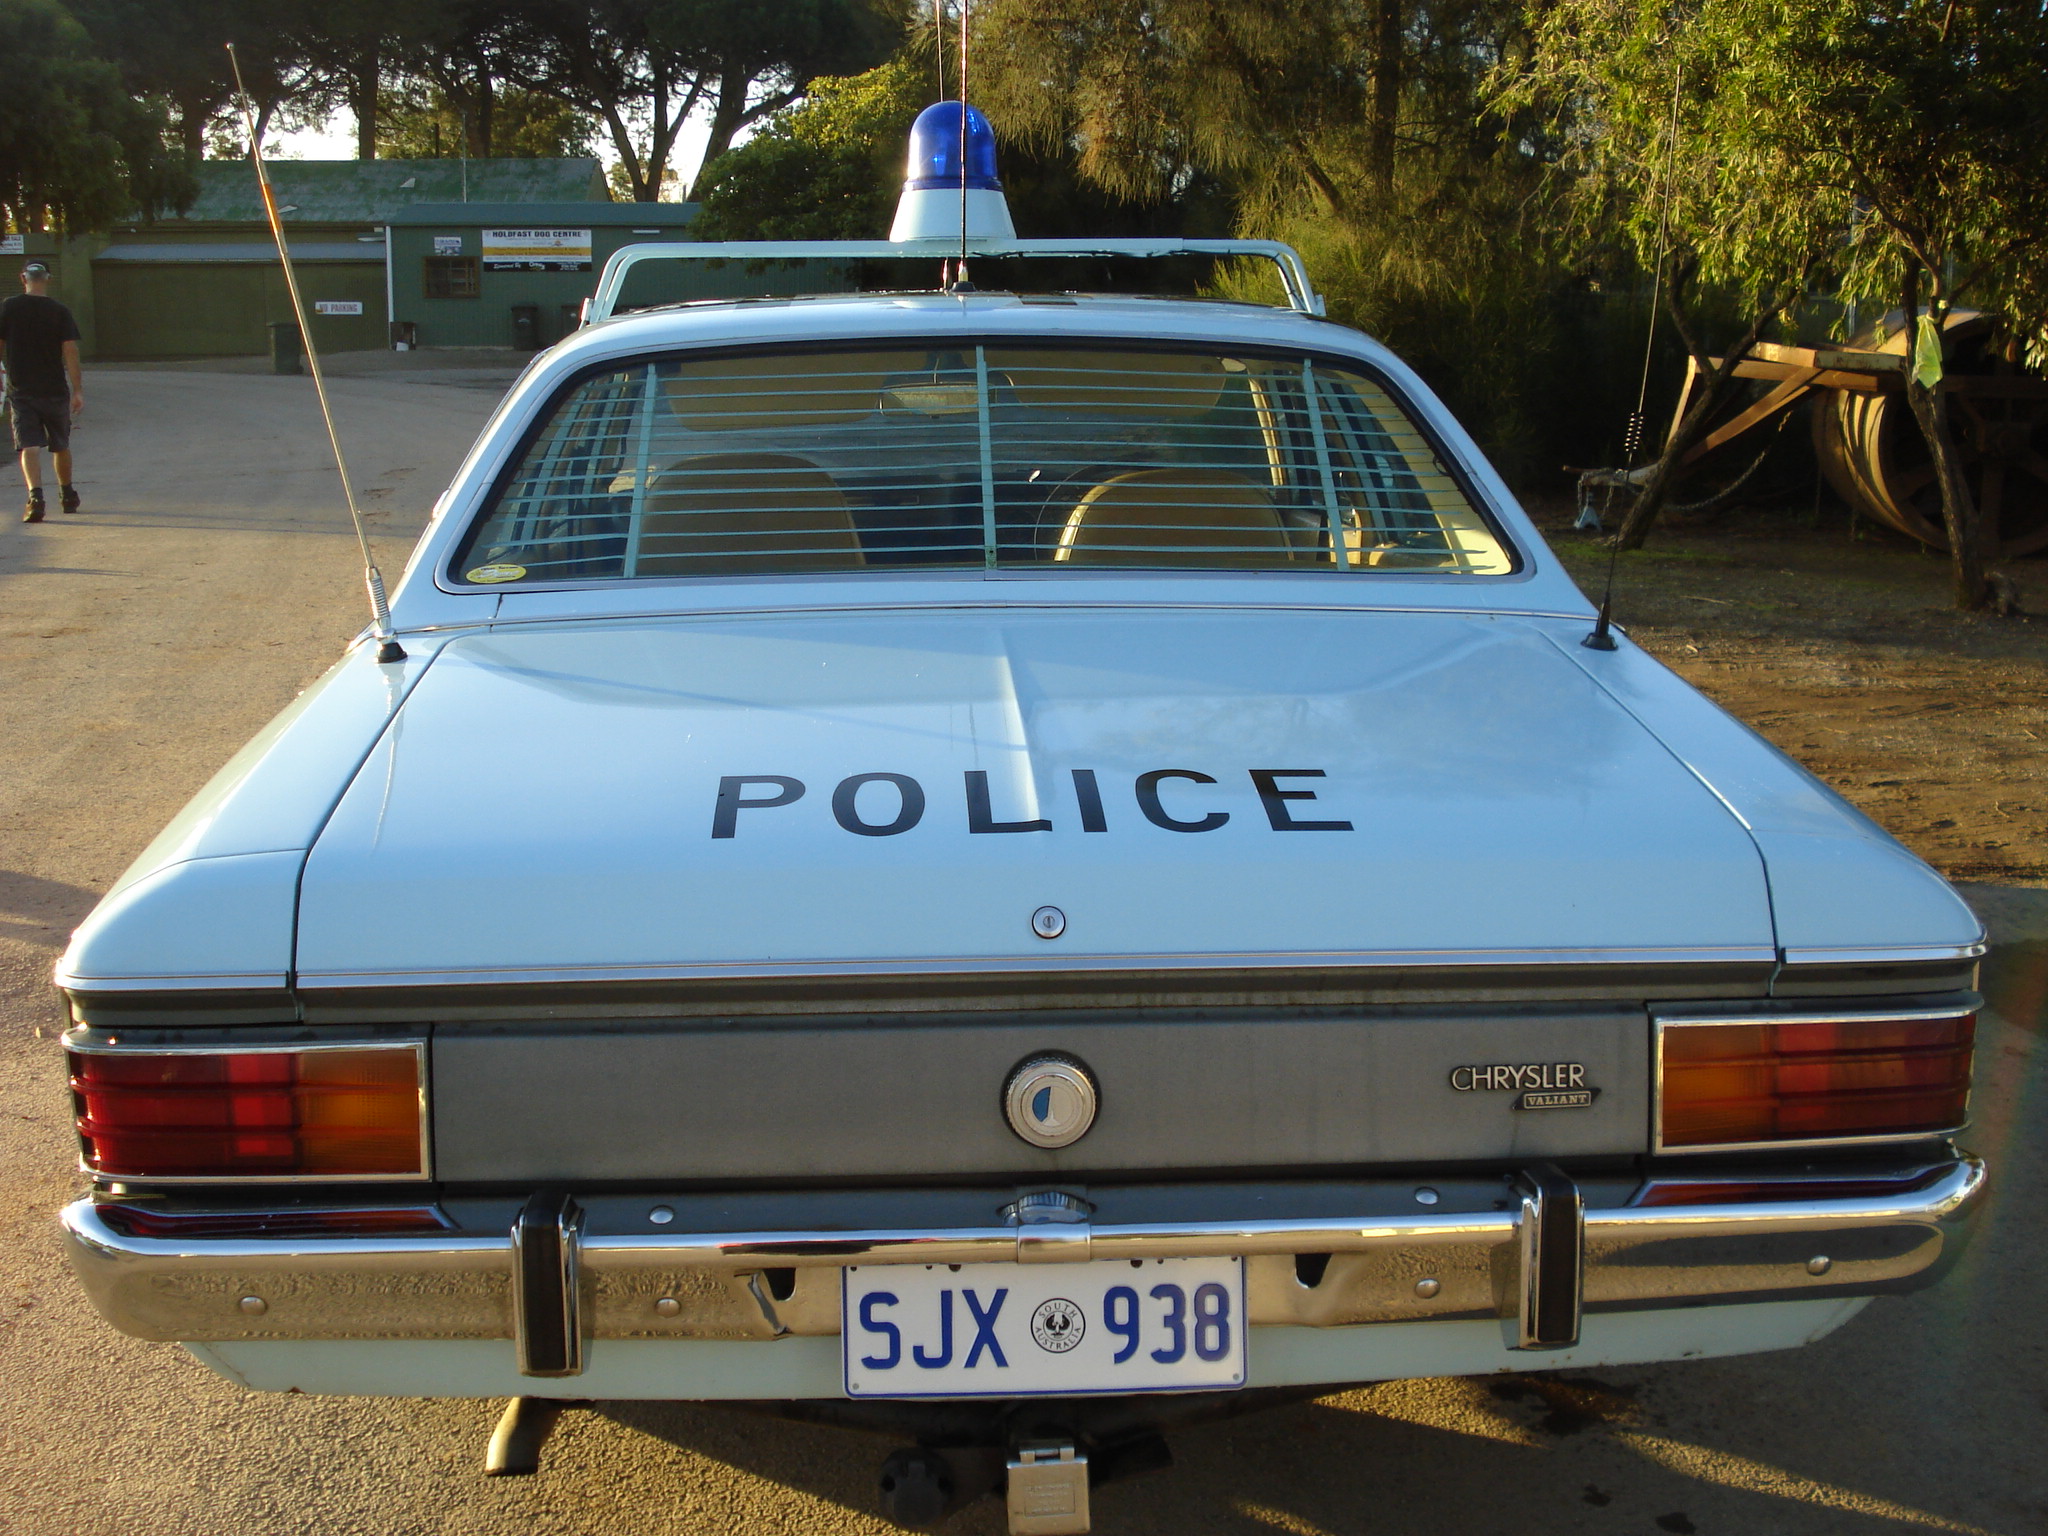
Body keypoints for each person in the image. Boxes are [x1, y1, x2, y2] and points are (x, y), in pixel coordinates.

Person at [0, 261, 85, 523]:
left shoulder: (8, 307)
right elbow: (70, 350)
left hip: (22, 389)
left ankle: (35, 498)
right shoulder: (59, 311)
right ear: (47, 278)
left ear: (23, 277)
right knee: (60, 444)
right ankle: (67, 494)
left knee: (29, 446)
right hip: (54, 389)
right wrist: (77, 389)